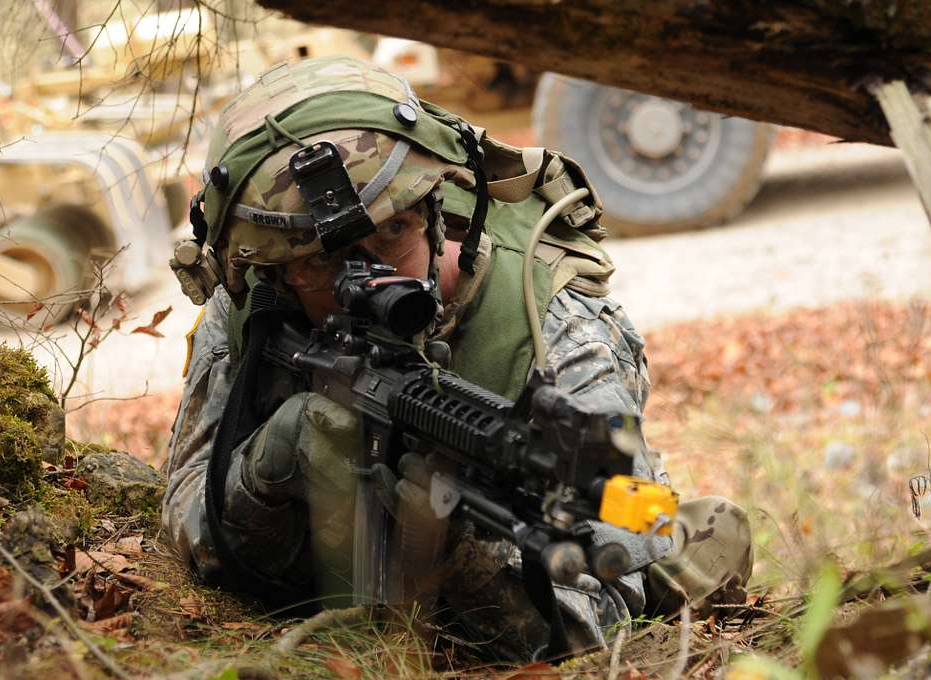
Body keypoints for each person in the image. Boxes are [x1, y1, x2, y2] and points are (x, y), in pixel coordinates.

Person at [162, 56, 752, 660]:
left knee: (691, 532)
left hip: (557, 541)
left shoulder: (557, 330)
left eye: (394, 234)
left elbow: (597, 625)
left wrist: (462, 548)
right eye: (319, 263)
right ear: (275, 272)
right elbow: (184, 512)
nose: (368, 278)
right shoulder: (253, 309)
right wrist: (266, 470)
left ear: (435, 212)